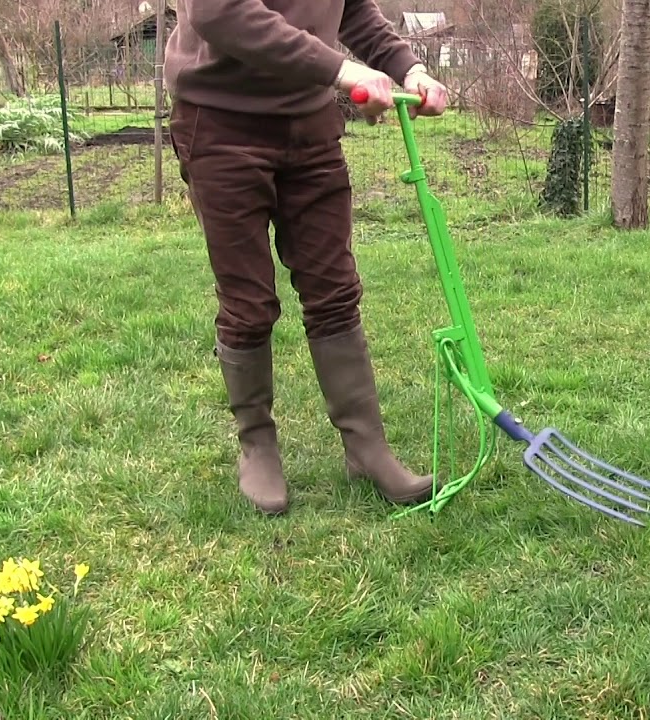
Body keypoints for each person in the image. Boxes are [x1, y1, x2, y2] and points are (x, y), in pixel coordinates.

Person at [163, 0, 450, 515]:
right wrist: (343, 70)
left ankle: (367, 448)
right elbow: (218, 13)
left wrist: (409, 66)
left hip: (309, 122)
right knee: (248, 301)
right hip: (222, 123)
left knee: (334, 289)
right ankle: (257, 445)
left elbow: (355, 10)